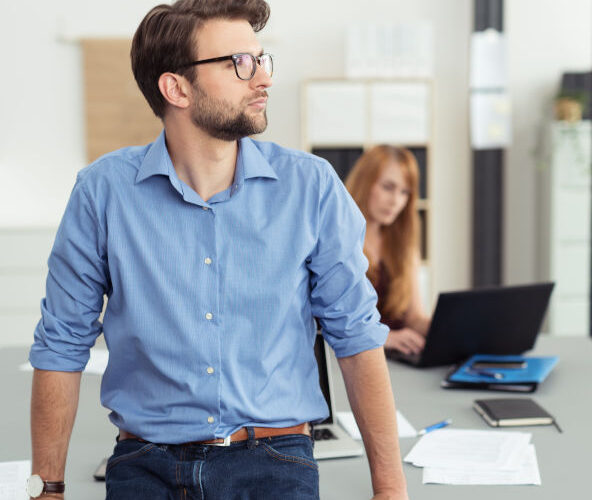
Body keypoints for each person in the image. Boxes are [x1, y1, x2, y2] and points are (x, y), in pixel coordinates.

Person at [26, 1, 408, 499]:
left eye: (261, 59)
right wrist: (47, 491)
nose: (263, 79)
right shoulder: (102, 193)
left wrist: (390, 488)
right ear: (176, 88)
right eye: (239, 64)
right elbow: (62, 345)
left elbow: (356, 339)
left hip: (276, 460)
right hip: (147, 464)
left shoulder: (310, 187)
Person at [345, 146, 432, 358]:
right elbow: (330, 323)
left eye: (404, 192)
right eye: (388, 187)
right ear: (365, 183)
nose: (396, 201)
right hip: (354, 359)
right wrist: (386, 338)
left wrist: (449, 330)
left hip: (398, 360)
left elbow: (414, 317)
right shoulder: (339, 241)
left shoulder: (404, 245)